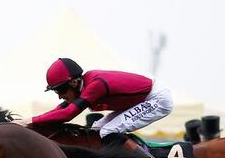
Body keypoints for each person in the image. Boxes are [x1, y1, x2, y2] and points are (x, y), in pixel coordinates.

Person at [14, 58, 173, 149]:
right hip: (141, 99)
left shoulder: (96, 85)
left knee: (107, 131)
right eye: (56, 91)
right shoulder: (83, 84)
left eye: (61, 90)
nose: (60, 96)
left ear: (75, 82)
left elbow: (68, 114)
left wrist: (31, 122)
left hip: (156, 98)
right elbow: (60, 109)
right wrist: (30, 121)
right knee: (95, 130)